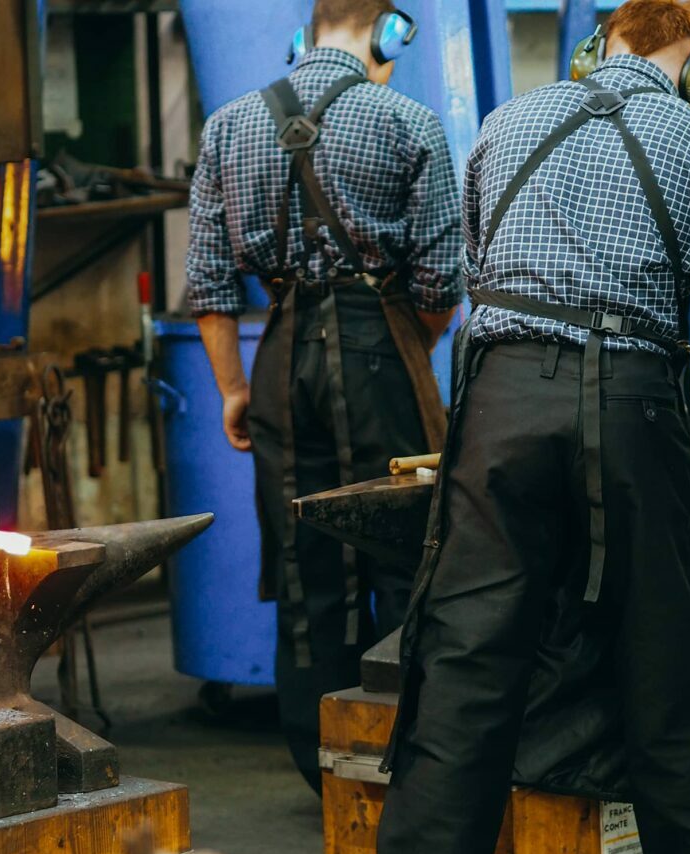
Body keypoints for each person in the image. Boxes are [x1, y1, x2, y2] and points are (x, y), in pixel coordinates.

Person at [376, 1, 690, 854]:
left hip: (501, 404)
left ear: (600, 46)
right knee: (669, 674)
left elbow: (484, 268)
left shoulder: (505, 124)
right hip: (632, 410)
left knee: (462, 678)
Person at [187, 0, 462, 792]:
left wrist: (236, 389)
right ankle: (416, 767)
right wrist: (407, 349)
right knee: (409, 553)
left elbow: (208, 282)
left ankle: (330, 774)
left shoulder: (229, 125)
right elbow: (443, 281)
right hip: (382, 347)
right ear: (385, 32)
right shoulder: (409, 122)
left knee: (306, 566)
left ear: (306, 33)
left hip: (275, 360)